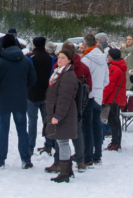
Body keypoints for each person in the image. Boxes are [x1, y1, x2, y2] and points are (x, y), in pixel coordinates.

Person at [0, 34, 37, 169]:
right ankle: (26, 159)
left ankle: (0, 160)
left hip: (3, 99)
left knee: (3, 130)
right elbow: (33, 79)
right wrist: (23, 88)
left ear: (3, 46)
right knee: (22, 130)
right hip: (20, 99)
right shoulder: (25, 60)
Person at [46, 41, 91, 173]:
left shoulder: (60, 69)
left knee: (60, 136)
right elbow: (89, 84)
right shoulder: (83, 66)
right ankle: (80, 160)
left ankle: (59, 163)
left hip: (64, 105)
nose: (59, 59)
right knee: (77, 134)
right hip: (78, 104)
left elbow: (58, 90)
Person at [44, 47, 80, 184]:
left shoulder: (68, 76)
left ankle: (64, 173)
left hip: (63, 115)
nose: (59, 60)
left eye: (63, 58)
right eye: (59, 57)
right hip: (59, 113)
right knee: (61, 141)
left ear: (69, 60)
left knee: (63, 142)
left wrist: (57, 115)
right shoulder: (59, 73)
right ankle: (68, 170)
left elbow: (64, 99)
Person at [80, 33, 109, 167]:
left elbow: (83, 79)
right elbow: (106, 80)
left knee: (87, 127)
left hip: (88, 95)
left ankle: (87, 157)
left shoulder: (86, 59)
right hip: (99, 95)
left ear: (85, 45)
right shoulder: (103, 58)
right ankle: (97, 155)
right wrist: (99, 88)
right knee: (97, 126)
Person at [27, 37, 55, 156]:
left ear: (34, 45)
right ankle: (49, 144)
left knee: (32, 122)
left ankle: (30, 147)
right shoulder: (52, 59)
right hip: (47, 93)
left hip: (32, 93)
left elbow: (29, 75)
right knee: (47, 121)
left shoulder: (30, 58)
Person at [102, 48, 127, 151]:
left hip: (113, 99)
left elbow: (109, 86)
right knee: (116, 121)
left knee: (113, 121)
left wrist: (102, 99)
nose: (107, 56)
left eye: (108, 55)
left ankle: (115, 143)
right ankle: (116, 142)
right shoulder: (119, 67)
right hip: (118, 98)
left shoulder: (114, 68)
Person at [120, 36, 133, 112]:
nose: (128, 41)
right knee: (123, 94)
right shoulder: (122, 50)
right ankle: (123, 110)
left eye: (130, 39)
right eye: (127, 39)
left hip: (132, 75)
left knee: (132, 94)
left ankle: (132, 110)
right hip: (123, 75)